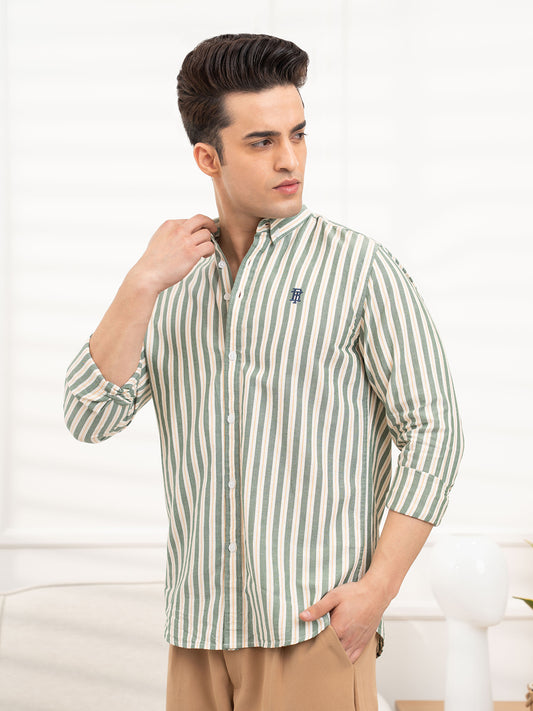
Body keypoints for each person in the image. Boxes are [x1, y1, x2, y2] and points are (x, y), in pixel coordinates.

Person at [63, 33, 464, 711]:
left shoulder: (360, 269)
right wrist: (140, 283)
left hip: (312, 629)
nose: (290, 159)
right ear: (207, 157)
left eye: (298, 134)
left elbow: (434, 432)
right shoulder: (172, 282)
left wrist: (377, 589)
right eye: (261, 142)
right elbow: (89, 417)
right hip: (197, 631)